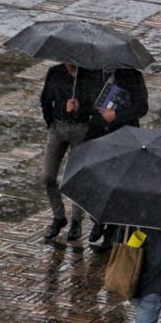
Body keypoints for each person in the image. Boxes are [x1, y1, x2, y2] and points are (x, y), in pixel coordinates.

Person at [85, 68, 149, 251]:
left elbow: (141, 107)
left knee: (116, 187)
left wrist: (117, 116)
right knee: (96, 185)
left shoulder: (132, 76)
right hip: (97, 137)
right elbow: (86, 103)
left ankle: (110, 232)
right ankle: (98, 219)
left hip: (123, 138)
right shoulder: (91, 74)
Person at [40, 62, 92, 241]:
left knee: (76, 177)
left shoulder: (88, 75)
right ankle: (59, 216)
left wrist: (80, 108)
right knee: (48, 176)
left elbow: (95, 104)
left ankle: (77, 220)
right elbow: (45, 99)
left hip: (80, 130)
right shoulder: (55, 72)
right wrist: (52, 120)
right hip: (58, 128)